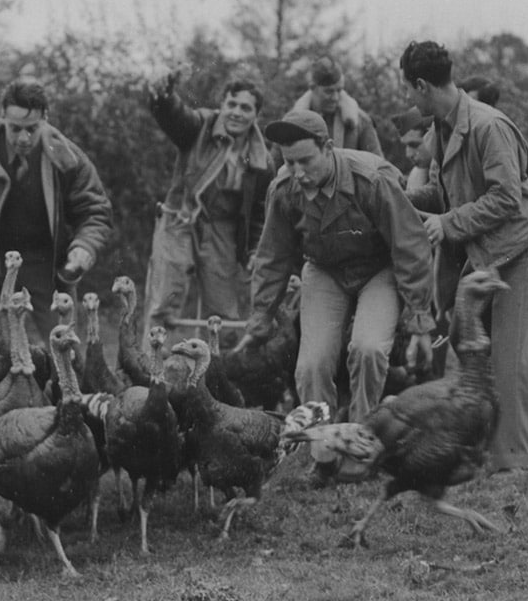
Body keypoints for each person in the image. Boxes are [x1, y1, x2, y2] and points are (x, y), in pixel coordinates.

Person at [401, 41, 528, 473]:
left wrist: (447, 224)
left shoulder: (488, 126)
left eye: (410, 91)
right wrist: (398, 196)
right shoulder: (443, 128)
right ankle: (508, 430)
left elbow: (505, 197)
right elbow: (444, 193)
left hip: (520, 248)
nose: (409, 99)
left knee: (509, 356)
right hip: (485, 252)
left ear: (423, 85)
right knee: (474, 353)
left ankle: (515, 461)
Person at [236, 109, 435, 422]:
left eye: (305, 160)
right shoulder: (284, 190)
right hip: (325, 270)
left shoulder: (370, 179)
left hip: (378, 269)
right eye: (290, 162)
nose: (298, 172)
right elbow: (272, 258)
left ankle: (362, 436)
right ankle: (319, 443)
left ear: (327, 148)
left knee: (368, 350)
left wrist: (420, 319)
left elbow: (409, 245)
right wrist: (260, 321)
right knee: (310, 366)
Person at [0, 79, 113, 343]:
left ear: (45, 119)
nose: (23, 138)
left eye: (32, 129)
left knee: (71, 355)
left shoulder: (67, 157)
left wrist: (85, 245)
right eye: (15, 129)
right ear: (2, 118)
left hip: (44, 267)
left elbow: (95, 210)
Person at [143, 70, 273, 331]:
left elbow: (259, 213)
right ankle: (152, 366)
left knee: (223, 312)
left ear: (256, 115)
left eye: (245, 108)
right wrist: (165, 96)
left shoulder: (262, 161)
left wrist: (253, 250)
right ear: (221, 106)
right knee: (165, 301)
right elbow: (176, 118)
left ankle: (214, 369)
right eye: (231, 104)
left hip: (222, 230)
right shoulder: (201, 126)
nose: (236, 112)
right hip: (180, 218)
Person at [291, 58, 382, 154]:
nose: (335, 98)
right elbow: (275, 164)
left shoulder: (361, 121)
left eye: (339, 90)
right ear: (313, 88)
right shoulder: (292, 122)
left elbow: (379, 165)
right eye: (329, 91)